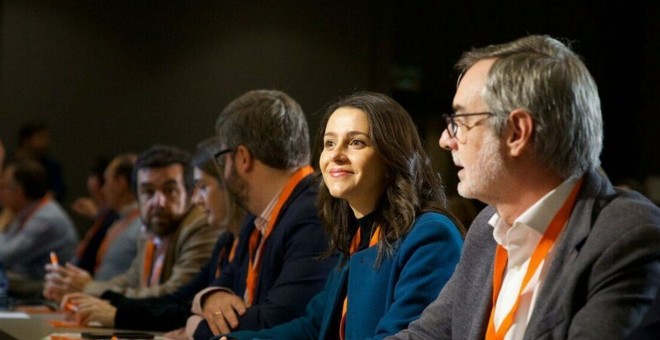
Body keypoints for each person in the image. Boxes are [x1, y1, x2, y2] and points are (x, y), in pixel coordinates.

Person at [387, 35, 660, 340]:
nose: (446, 140)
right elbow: (428, 335)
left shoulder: (626, 236)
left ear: (517, 132)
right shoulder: (486, 230)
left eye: (460, 120)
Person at [219, 92, 464, 340]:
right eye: (329, 143)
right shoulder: (356, 237)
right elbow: (313, 328)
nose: (336, 155)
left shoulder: (431, 235)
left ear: (392, 155)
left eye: (356, 142)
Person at [187, 89, 337, 339]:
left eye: (224, 160)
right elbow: (222, 282)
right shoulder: (256, 218)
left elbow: (275, 322)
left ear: (243, 158)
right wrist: (210, 297)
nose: (224, 172)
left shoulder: (313, 215)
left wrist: (195, 326)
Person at [56, 137, 246, 332]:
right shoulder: (150, 228)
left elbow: (177, 297)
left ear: (188, 193)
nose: (159, 202)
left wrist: (97, 295)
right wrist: (92, 292)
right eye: (148, 192)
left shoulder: (201, 226)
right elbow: (132, 279)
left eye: (170, 190)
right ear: (137, 197)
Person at [43, 154, 141, 302]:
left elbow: (135, 285)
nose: (104, 189)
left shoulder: (141, 226)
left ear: (120, 183)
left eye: (106, 181)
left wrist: (88, 287)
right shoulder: (119, 220)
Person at [0, 158, 77, 298]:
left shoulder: (47, 218)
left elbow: (4, 256)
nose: (1, 192)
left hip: (47, 287)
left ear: (19, 191)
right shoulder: (26, 212)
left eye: (4, 186)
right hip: (28, 280)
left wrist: (2, 225)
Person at [14, 122, 66, 202]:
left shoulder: (51, 166)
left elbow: (60, 189)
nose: (46, 142)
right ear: (26, 140)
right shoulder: (9, 164)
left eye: (47, 138)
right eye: (40, 138)